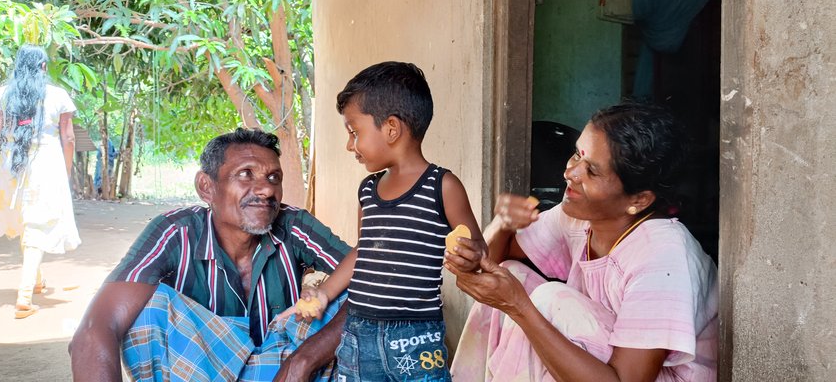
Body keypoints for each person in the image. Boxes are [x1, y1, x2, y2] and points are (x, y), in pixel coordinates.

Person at [445, 103, 719, 381]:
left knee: (547, 302)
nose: (571, 173)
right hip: (604, 364)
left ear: (639, 200)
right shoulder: (581, 217)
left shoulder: (663, 257)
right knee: (513, 276)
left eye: (593, 171)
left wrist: (519, 307)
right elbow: (492, 261)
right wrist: (501, 226)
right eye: (577, 154)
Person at [69, 128, 353, 382]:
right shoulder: (175, 232)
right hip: (198, 371)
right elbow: (95, 329)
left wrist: (303, 361)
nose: (266, 189)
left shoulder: (293, 224)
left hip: (282, 370)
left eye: (273, 177)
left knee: (355, 297)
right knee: (146, 308)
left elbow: (372, 276)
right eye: (245, 174)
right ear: (207, 187)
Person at [279, 61, 485, 382]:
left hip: (417, 339)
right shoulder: (368, 190)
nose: (350, 145)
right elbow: (364, 251)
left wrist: (470, 255)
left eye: (354, 132)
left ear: (391, 128)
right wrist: (324, 293)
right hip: (358, 335)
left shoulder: (442, 186)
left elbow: (477, 248)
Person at [0, 44, 81, 319]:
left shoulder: (2, 94)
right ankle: (25, 295)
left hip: (11, 162)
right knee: (36, 223)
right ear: (43, 67)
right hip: (47, 163)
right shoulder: (57, 95)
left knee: (27, 219)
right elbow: (68, 138)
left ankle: (38, 280)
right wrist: (65, 172)